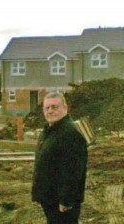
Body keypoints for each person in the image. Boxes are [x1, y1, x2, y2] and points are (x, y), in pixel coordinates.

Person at [32, 92, 88, 224]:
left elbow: (73, 171)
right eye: (47, 108)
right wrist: (38, 194)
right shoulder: (49, 131)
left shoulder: (70, 134)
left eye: (54, 107)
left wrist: (66, 201)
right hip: (50, 198)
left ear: (65, 108)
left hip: (61, 203)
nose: (50, 111)